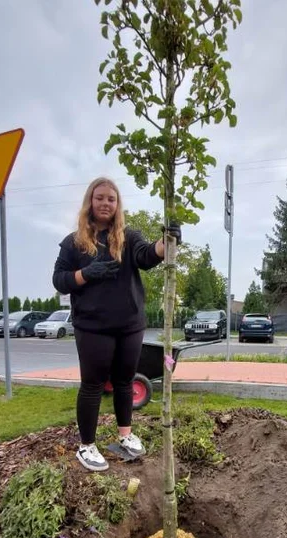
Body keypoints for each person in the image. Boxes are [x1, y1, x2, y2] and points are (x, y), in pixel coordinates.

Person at [52, 176, 181, 471]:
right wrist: (87, 273)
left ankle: (125, 435)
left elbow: (148, 256)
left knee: (124, 382)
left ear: (117, 204)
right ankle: (86, 446)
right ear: (90, 202)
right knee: (93, 385)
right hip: (93, 326)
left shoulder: (128, 237)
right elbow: (59, 280)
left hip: (129, 325)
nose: (105, 203)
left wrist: (167, 241)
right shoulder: (73, 243)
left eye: (111, 199)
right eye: (100, 198)